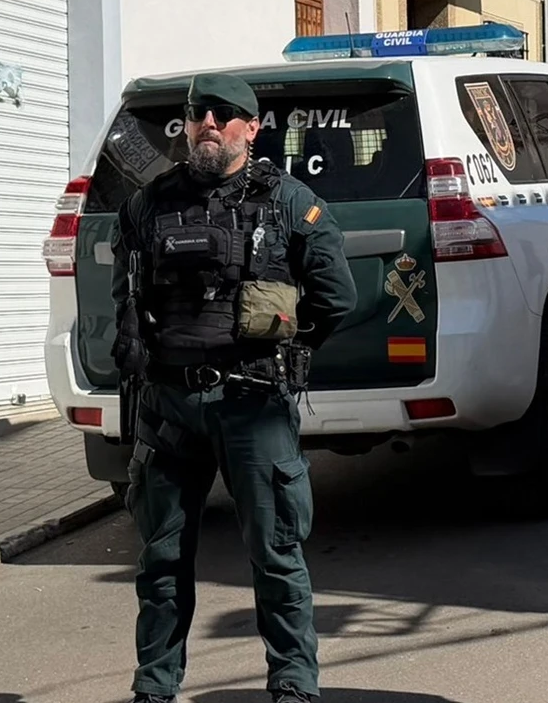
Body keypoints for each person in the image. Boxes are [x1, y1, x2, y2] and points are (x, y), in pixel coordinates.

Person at [110, 72, 357, 703]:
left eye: (223, 114)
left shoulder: (288, 202)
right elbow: (126, 299)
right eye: (198, 114)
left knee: (276, 557)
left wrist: (292, 353)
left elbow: (336, 297)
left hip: (252, 405)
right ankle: (154, 688)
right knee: (161, 562)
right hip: (167, 408)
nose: (208, 124)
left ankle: (294, 686)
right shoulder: (147, 205)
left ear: (251, 127)